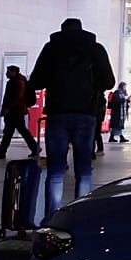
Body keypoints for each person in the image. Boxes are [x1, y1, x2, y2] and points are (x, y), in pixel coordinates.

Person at [28, 18, 115, 214]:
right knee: (84, 170)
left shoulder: (51, 48)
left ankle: (52, 215)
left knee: (56, 171)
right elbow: (109, 81)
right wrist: (92, 87)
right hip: (85, 114)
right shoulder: (95, 49)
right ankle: (80, 215)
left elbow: (36, 80)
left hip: (57, 113)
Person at [0, 65, 39, 159]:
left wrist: (7, 108)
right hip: (17, 111)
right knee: (16, 131)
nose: (6, 74)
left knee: (11, 132)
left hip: (15, 112)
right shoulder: (18, 81)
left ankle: (2, 152)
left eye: (8, 72)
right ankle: (34, 148)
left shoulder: (17, 82)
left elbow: (17, 97)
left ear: (14, 72)